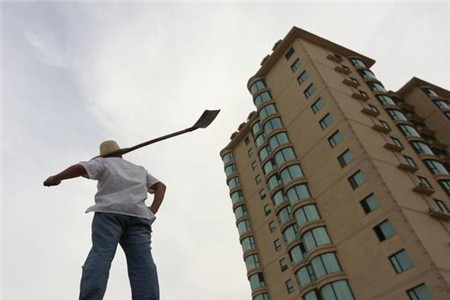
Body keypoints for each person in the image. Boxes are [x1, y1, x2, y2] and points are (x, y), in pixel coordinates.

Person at [43, 140, 166, 300]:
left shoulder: (103, 162)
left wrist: (57, 177)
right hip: (139, 217)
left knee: (101, 254)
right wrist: (152, 210)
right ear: (120, 153)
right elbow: (160, 186)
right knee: (143, 262)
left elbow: (80, 168)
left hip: (110, 213)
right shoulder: (139, 170)